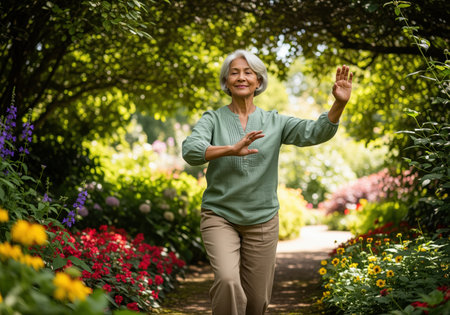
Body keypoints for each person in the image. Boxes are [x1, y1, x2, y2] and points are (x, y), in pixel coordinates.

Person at [182, 49, 353, 315]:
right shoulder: (212, 119)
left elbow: (314, 132)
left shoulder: (275, 122)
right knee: (227, 281)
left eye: (248, 72)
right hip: (220, 215)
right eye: (234, 72)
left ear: (258, 81)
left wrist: (338, 104)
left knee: (257, 299)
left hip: (262, 219)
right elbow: (191, 150)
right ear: (226, 81)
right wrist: (230, 149)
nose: (241, 77)